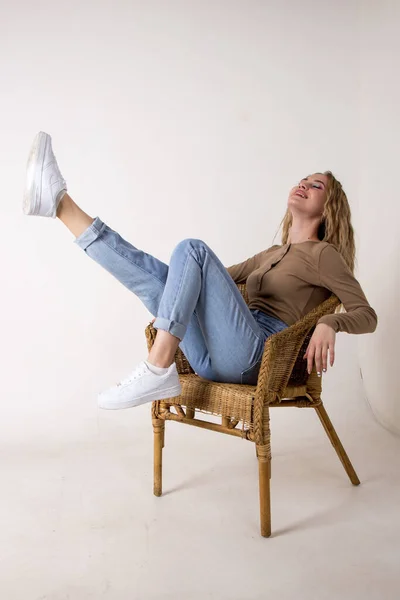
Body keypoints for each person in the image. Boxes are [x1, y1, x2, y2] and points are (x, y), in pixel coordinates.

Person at [23, 132, 377, 411]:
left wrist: (330, 322)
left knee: (191, 249)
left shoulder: (323, 254)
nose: (304, 184)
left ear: (328, 209)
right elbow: (198, 278)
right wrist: (175, 282)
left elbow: (366, 315)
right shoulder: (271, 253)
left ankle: (156, 366)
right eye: (303, 179)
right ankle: (59, 204)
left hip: (256, 356)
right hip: (214, 357)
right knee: (163, 279)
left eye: (316, 186)